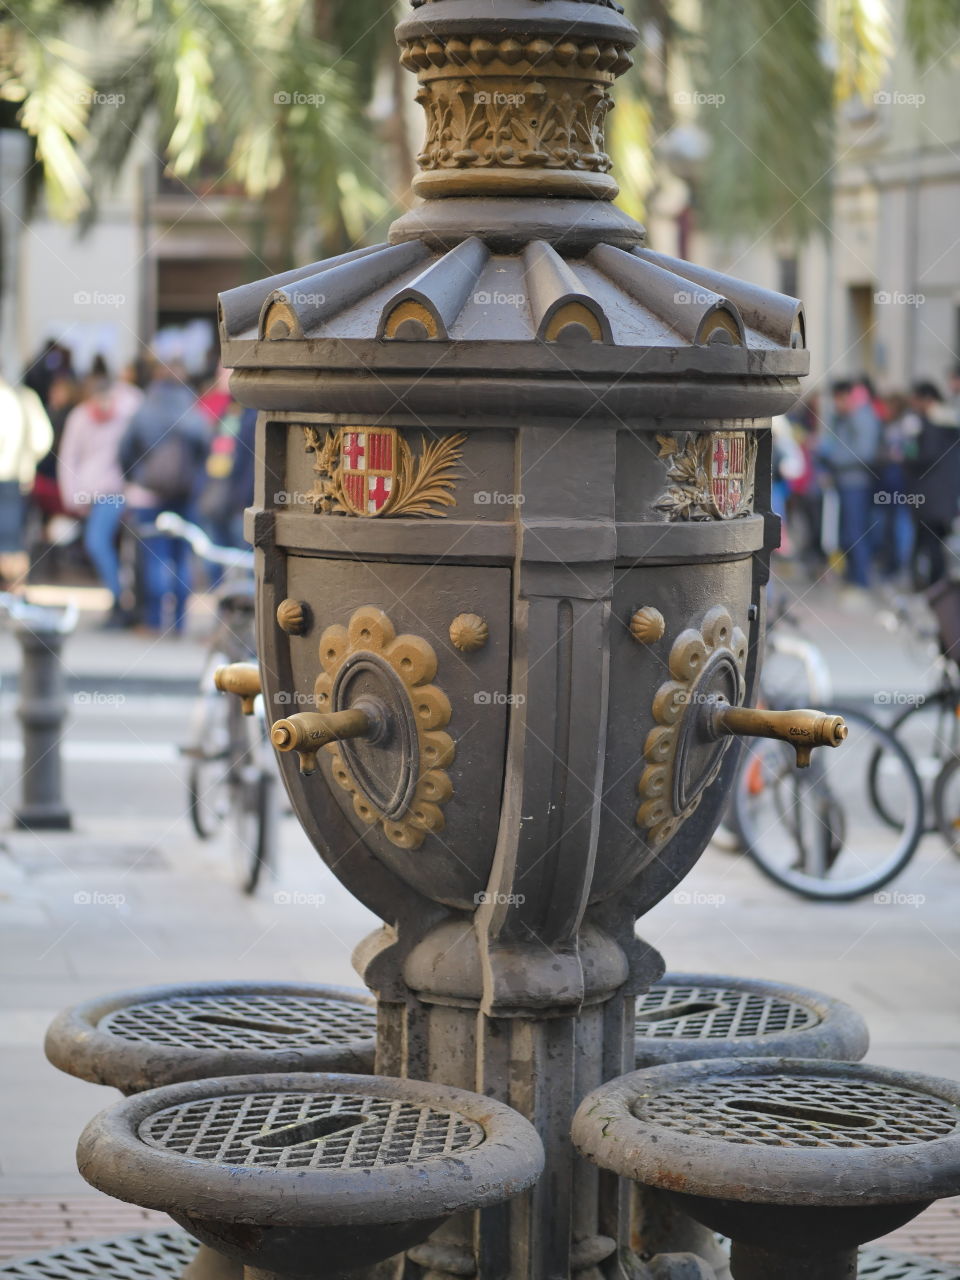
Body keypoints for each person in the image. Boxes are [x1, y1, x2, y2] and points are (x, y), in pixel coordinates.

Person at [118, 362, 208, 633]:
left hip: (151, 493)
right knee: (182, 556)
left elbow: (124, 449)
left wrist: (137, 476)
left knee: (154, 555)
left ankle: (155, 621)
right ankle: (180, 622)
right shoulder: (192, 408)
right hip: (185, 494)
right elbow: (206, 446)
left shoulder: (146, 407)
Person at [59, 371, 143, 626]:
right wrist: (73, 496)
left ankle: (120, 600)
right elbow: (68, 457)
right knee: (102, 544)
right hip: (92, 494)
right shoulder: (79, 418)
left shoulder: (126, 413)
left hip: (116, 493)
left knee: (97, 542)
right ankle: (120, 598)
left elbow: (137, 400)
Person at [818, 379, 881, 592]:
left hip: (856, 483)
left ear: (846, 396)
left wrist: (832, 458)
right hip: (845, 481)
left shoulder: (862, 417)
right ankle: (853, 578)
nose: (836, 405)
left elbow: (864, 453)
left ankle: (860, 581)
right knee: (847, 532)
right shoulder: (845, 417)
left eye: (837, 400)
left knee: (855, 532)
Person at [0, 376, 53, 591]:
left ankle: (11, 595)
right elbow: (42, 439)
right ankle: (15, 595)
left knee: (10, 542)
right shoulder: (25, 397)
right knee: (14, 541)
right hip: (18, 478)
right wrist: (28, 461)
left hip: (10, 478)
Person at [905, 381, 960, 589]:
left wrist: (905, 456)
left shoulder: (928, 425)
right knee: (937, 544)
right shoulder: (951, 422)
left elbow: (924, 457)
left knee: (929, 545)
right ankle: (936, 586)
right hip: (945, 496)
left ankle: (933, 587)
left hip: (929, 497)